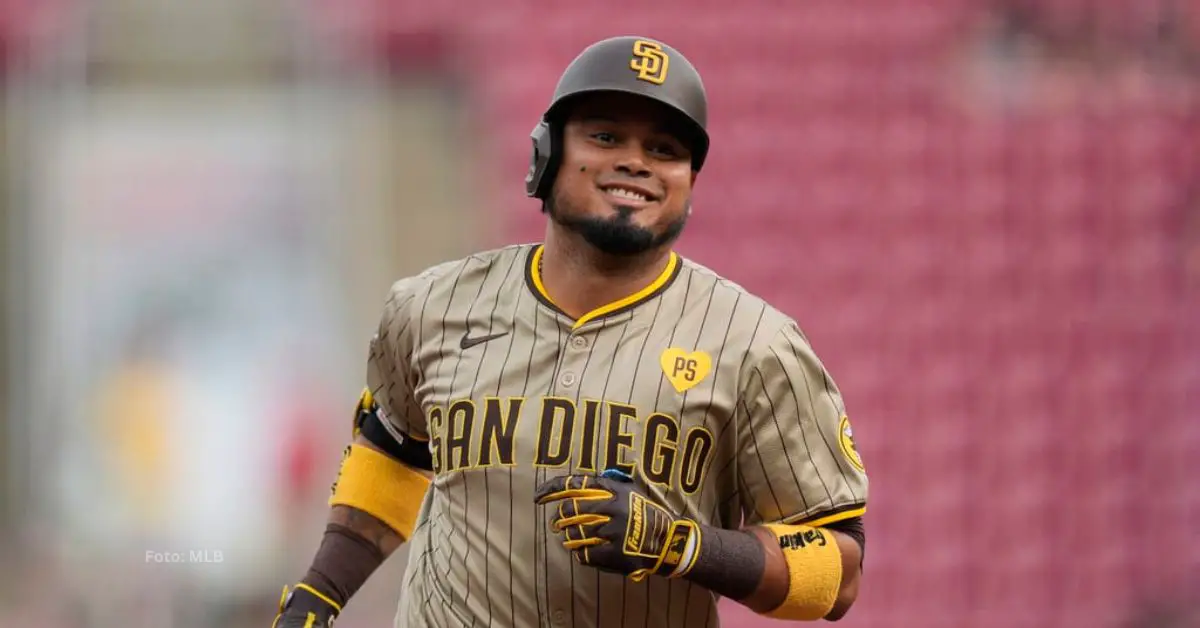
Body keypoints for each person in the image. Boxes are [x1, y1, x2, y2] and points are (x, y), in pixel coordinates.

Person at [272, 35, 869, 628]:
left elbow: (838, 574)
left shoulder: (755, 344)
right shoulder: (433, 306)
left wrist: (683, 546)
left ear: (689, 183)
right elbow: (395, 451)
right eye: (605, 136)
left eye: (664, 149)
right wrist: (320, 593)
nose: (635, 161)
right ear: (547, 154)